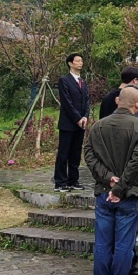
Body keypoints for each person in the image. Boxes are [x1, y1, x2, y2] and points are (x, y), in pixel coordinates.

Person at [84, 87, 138, 275]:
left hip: (104, 192)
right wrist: (120, 187)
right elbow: (137, 161)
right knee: (124, 244)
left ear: (117, 101)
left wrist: (109, 179)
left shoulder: (98, 126)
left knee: (102, 243)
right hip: (129, 194)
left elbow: (89, 155)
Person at [54, 53, 90, 192]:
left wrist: (85, 116)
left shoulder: (82, 81)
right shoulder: (64, 80)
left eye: (81, 60)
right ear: (70, 63)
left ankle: (73, 180)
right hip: (68, 123)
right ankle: (60, 182)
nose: (81, 63)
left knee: (75, 153)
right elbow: (67, 103)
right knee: (64, 153)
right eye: (78, 60)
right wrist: (77, 118)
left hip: (81, 123)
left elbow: (86, 101)